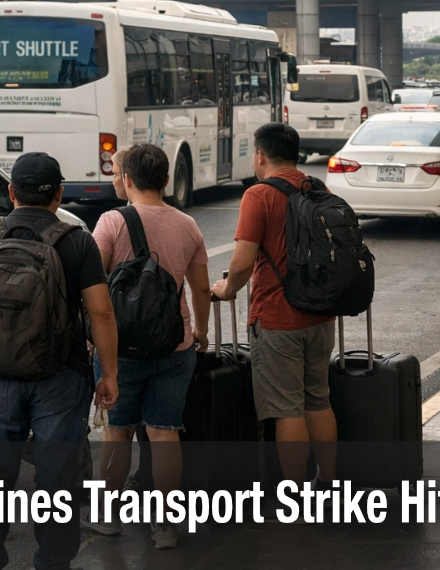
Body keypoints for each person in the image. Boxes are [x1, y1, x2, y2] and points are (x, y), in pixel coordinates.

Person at [0, 152, 119, 570]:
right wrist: (108, 374)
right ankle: (52, 562)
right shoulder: (77, 242)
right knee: (57, 478)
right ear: (59, 195)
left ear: (11, 192)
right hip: (61, 375)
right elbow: (101, 313)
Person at [83, 144, 212, 548]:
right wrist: (201, 331)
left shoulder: (111, 222)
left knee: (118, 432)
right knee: (164, 432)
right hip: (174, 345)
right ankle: (164, 525)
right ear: (167, 180)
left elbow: (91, 282)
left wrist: (89, 336)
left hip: (118, 349)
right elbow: (201, 288)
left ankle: (109, 517)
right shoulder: (187, 225)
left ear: (127, 179)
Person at [210, 122, 337, 488]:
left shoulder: (259, 195)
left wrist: (227, 289)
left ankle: (294, 493)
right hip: (320, 314)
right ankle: (328, 481)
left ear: (261, 155)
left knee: (287, 409)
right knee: (318, 400)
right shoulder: (318, 188)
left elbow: (242, 263)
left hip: (278, 318)